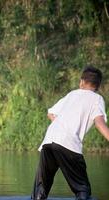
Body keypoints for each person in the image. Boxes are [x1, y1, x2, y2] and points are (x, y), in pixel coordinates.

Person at [31, 66, 109, 200]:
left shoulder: (72, 94)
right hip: (69, 143)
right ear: (98, 86)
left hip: (49, 140)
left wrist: (63, 126)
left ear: (82, 82)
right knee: (82, 190)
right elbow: (99, 122)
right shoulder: (97, 99)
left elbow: (51, 113)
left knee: (41, 190)